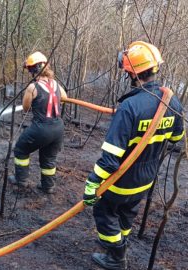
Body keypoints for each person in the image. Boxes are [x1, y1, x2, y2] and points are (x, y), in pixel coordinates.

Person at [83, 41, 185, 269]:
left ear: (131, 71)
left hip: (121, 180)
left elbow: (110, 159)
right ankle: (120, 240)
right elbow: (177, 140)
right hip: (146, 179)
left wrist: (91, 183)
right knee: (127, 212)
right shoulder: (173, 102)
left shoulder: (129, 107)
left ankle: (116, 257)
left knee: (103, 210)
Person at [8, 51, 67, 194]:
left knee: (21, 149)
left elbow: (26, 107)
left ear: (33, 70)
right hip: (58, 128)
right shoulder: (55, 84)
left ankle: (21, 180)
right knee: (48, 158)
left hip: (42, 128)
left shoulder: (32, 87)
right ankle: (48, 186)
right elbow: (64, 98)